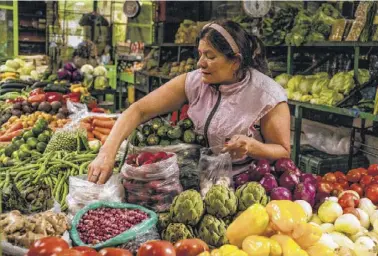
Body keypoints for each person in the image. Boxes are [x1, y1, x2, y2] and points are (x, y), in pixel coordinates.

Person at [88, 20, 291, 184]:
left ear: (235, 61)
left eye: (210, 56)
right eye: (200, 54)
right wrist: (107, 153)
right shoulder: (195, 81)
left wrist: (253, 146)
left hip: (249, 183)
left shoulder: (267, 96)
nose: (200, 63)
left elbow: (283, 151)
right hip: (201, 179)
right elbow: (139, 110)